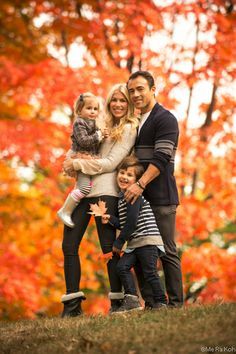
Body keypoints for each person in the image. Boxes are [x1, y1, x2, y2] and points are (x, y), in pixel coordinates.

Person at [61, 84, 138, 317]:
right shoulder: (99, 123)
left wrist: (76, 164)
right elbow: (80, 146)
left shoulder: (128, 129)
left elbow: (110, 164)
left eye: (123, 101)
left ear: (129, 104)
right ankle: (72, 305)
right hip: (84, 191)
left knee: (108, 249)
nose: (117, 104)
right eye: (114, 100)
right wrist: (69, 158)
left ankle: (117, 302)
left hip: (105, 192)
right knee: (69, 245)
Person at [125, 70, 184, 308]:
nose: (135, 94)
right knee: (140, 249)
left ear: (152, 89)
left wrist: (140, 184)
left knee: (166, 251)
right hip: (138, 198)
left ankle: (177, 304)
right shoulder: (136, 122)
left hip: (160, 197)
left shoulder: (165, 118)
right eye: (131, 91)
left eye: (140, 89)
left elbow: (161, 158)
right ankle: (151, 304)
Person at [102, 156, 167, 313]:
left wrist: (118, 243)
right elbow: (125, 223)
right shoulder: (122, 199)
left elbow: (131, 223)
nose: (124, 177)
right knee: (122, 267)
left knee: (150, 273)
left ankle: (161, 302)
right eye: (122, 172)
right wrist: (111, 219)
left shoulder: (134, 196)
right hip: (135, 243)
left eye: (130, 175)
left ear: (136, 180)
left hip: (147, 241)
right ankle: (132, 299)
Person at [57, 92, 108, 228]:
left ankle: (72, 207)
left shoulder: (94, 123)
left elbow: (96, 141)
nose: (92, 111)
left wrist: (103, 135)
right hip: (80, 156)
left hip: (88, 157)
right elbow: (84, 141)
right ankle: (65, 211)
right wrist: (98, 135)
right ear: (79, 110)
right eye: (89, 108)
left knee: (85, 186)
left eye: (95, 109)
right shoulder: (79, 122)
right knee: (84, 188)